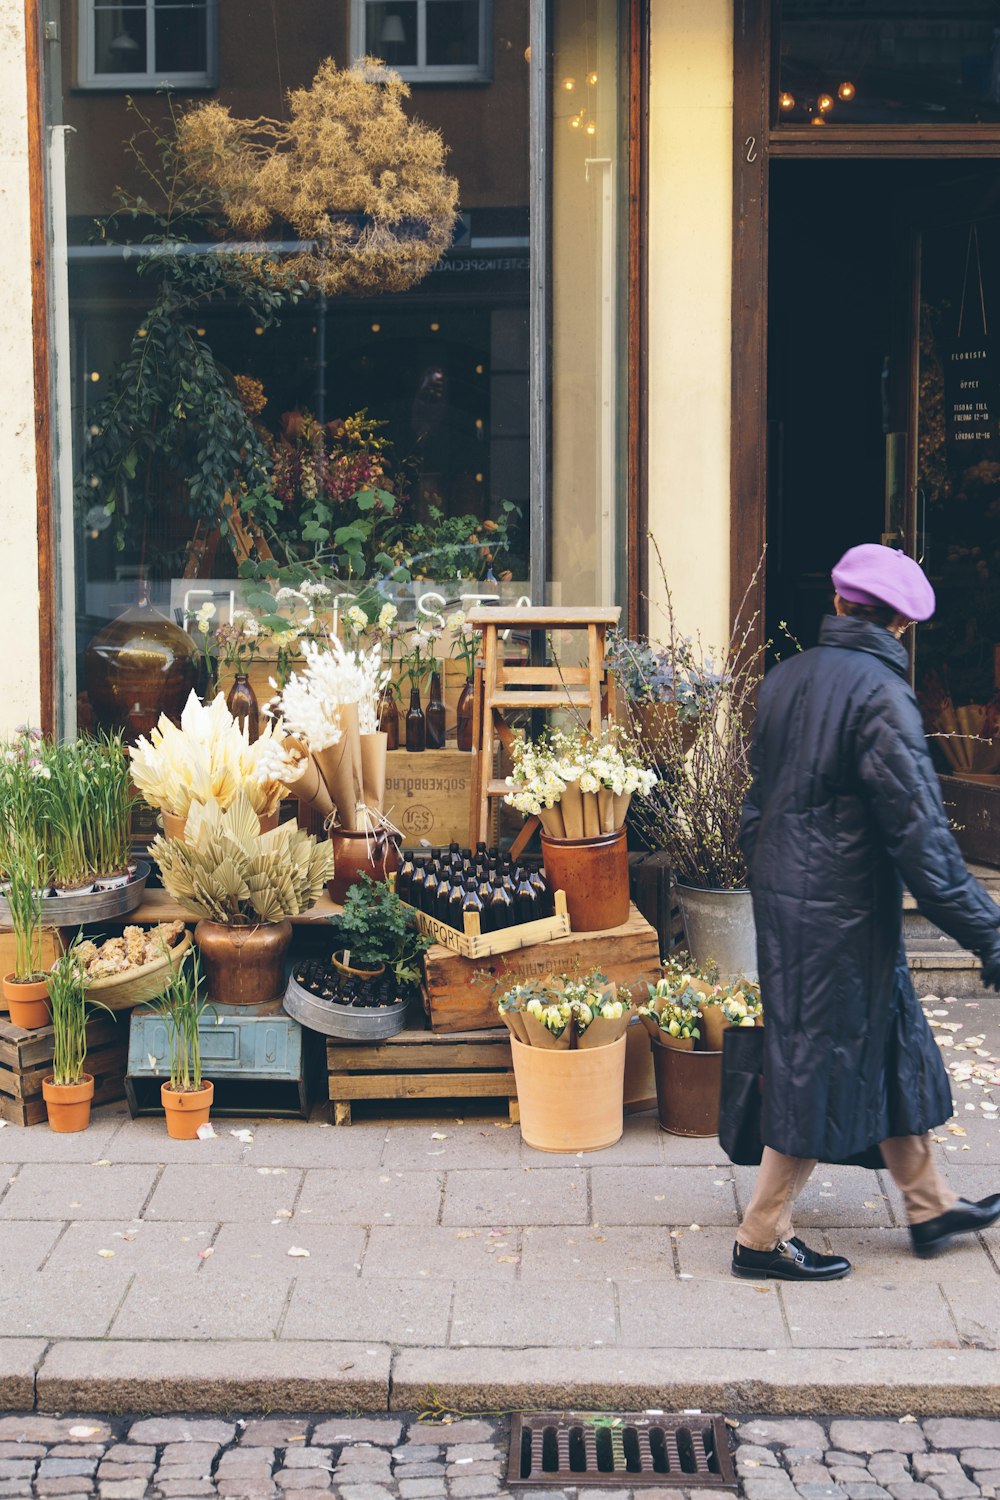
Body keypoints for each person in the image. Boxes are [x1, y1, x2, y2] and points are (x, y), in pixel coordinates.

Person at [733, 543, 1000, 1282]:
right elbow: (921, 837)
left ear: (841, 603)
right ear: (902, 626)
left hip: (796, 901)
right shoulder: (881, 694)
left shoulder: (785, 679)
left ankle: (928, 1202)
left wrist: (772, 880)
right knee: (817, 1062)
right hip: (840, 911)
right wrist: (990, 932)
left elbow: (756, 809)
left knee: (887, 1037)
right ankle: (761, 1234)